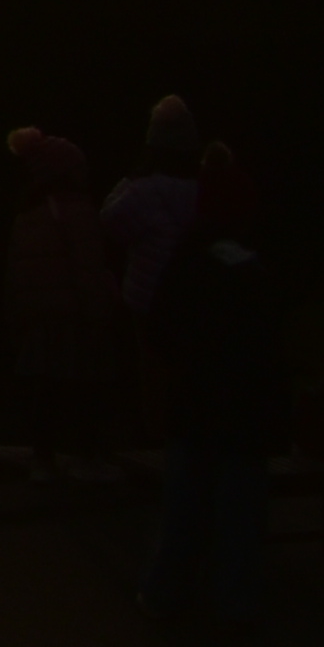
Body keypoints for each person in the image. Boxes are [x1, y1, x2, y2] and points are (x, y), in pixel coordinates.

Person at [145, 148, 284, 632]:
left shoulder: (185, 265)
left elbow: (160, 329)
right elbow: (273, 348)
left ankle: (165, 593)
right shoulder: (255, 275)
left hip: (192, 407)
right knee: (240, 516)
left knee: (182, 511)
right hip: (243, 415)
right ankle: (234, 602)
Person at [0, 130, 117, 475]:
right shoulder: (79, 212)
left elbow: (17, 275)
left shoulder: (27, 213)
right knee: (89, 388)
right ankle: (91, 457)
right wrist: (101, 309)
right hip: (76, 314)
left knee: (45, 390)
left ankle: (43, 459)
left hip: (41, 318)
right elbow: (88, 267)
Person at [101, 94, 208, 429]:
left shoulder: (143, 190)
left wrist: (128, 180)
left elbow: (108, 221)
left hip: (148, 297)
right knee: (191, 370)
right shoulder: (205, 187)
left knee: (153, 371)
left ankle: (157, 438)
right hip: (198, 294)